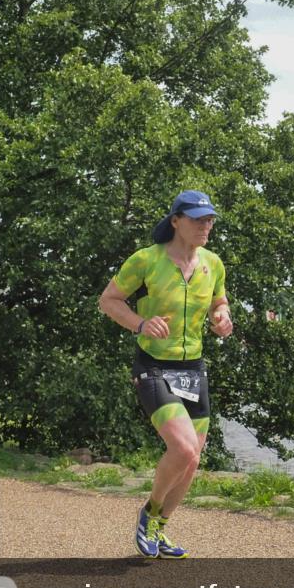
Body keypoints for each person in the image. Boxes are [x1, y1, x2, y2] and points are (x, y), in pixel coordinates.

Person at [99, 190, 232, 558]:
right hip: (154, 365)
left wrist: (222, 317)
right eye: (198, 219)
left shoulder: (213, 264)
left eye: (210, 220)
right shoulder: (146, 260)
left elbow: (219, 301)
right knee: (184, 448)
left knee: (193, 459)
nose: (206, 225)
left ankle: (160, 528)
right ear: (176, 221)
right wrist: (140, 324)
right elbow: (108, 300)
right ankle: (149, 513)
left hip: (193, 369)